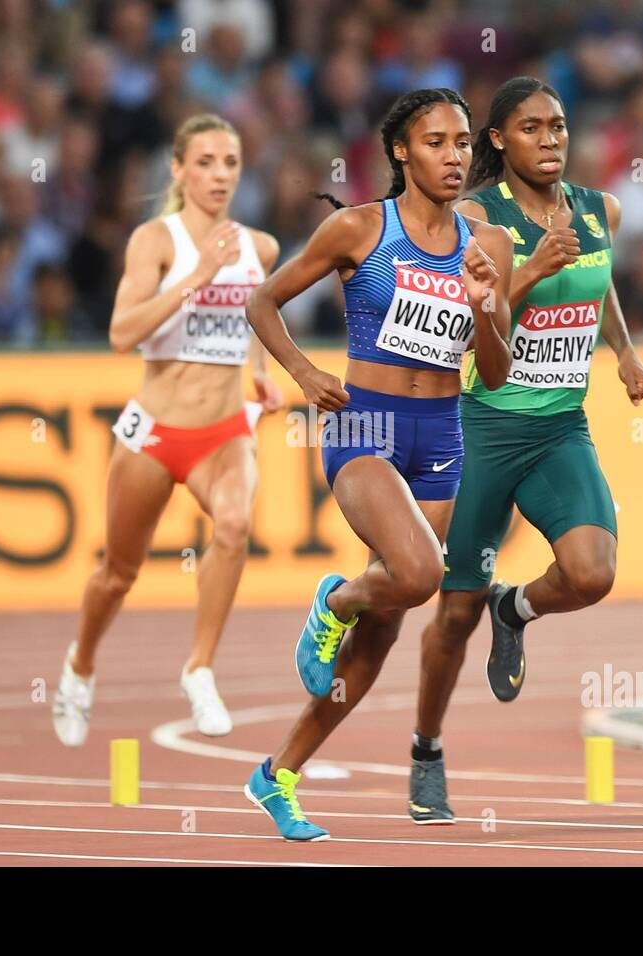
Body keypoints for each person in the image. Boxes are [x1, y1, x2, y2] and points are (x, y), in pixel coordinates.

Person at [241, 88, 513, 840]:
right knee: (421, 577)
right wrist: (301, 372)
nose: (454, 157)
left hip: (442, 437)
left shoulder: (486, 243)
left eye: (463, 143)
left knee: (384, 637)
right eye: (435, 142)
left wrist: (488, 304)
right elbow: (262, 302)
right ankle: (334, 600)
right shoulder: (360, 228)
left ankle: (278, 775)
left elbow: (493, 370)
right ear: (401, 151)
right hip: (366, 425)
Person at [411, 77, 643, 823]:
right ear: (497, 141)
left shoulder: (597, 209)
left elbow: (601, 280)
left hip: (558, 426)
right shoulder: (475, 218)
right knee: (452, 618)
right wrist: (535, 269)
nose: (550, 139)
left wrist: (623, 350)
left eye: (558, 126)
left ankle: (514, 608)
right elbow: (469, 319)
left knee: (592, 573)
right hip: (482, 425)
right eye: (531, 128)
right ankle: (426, 750)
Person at [53, 114, 283, 743]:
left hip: (224, 431)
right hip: (155, 433)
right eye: (205, 162)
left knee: (235, 526)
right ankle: (80, 666)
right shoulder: (156, 241)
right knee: (118, 574)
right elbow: (121, 335)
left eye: (230, 163)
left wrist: (262, 371)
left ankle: (200, 668)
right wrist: (195, 279)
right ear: (178, 170)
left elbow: (253, 318)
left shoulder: (259, 248)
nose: (219, 175)